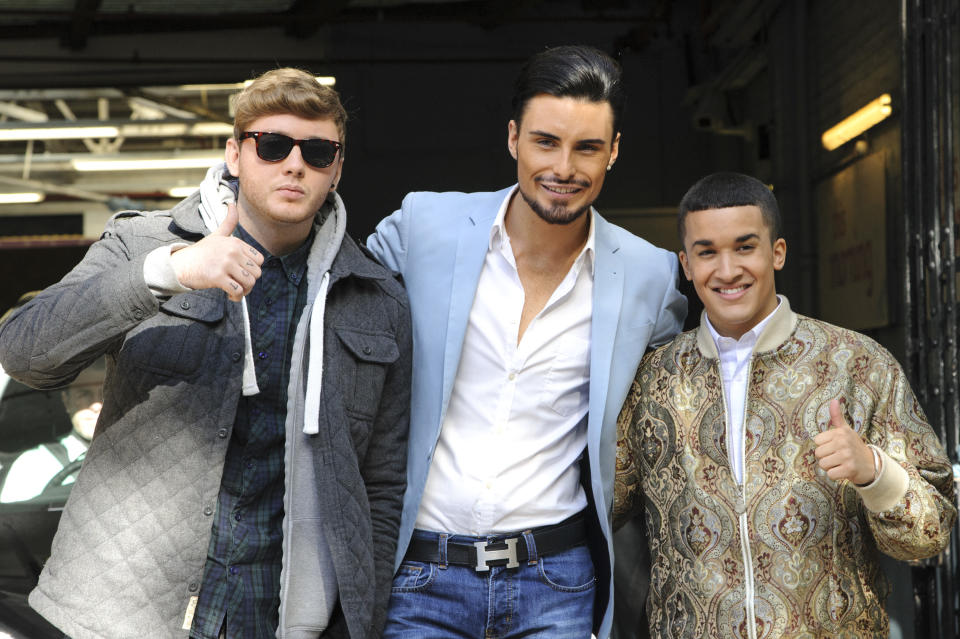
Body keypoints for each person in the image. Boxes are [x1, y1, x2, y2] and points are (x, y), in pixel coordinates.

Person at [0, 68, 412, 639]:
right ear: (235, 154)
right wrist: (169, 272)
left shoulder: (375, 297)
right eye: (272, 146)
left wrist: (357, 620)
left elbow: (381, 484)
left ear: (336, 168)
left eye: (318, 152)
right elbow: (24, 352)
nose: (295, 164)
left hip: (282, 614)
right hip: (121, 613)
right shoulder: (142, 242)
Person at [366, 45, 686, 638]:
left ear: (613, 152)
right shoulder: (423, 227)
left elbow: (671, 408)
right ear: (513, 138)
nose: (563, 167)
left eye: (587, 147)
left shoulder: (651, 275)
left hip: (557, 582)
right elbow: (330, 289)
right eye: (545, 142)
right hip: (420, 579)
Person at [614, 171, 957, 638]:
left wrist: (873, 471)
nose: (728, 269)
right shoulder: (652, 380)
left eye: (745, 246)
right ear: (686, 264)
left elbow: (930, 535)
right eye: (707, 252)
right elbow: (595, 508)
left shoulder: (856, 365)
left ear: (777, 252)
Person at [0, 358, 104, 503]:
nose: (97, 405)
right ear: (66, 401)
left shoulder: (136, 455)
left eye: (105, 393)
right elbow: (12, 523)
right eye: (84, 394)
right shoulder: (33, 465)